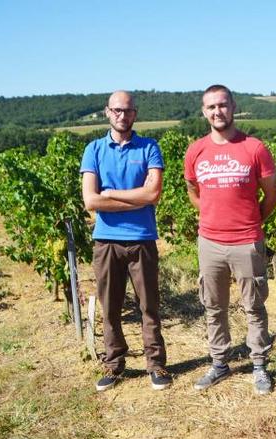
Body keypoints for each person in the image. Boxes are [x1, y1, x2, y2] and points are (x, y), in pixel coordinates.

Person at [184, 84, 276, 395]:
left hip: (247, 240)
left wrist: (250, 220)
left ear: (233, 106)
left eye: (222, 105)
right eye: (211, 107)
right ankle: (220, 363)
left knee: (253, 305)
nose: (217, 112)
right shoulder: (195, 150)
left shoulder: (254, 148)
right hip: (209, 241)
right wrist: (214, 217)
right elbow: (194, 192)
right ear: (204, 112)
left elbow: (272, 195)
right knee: (213, 305)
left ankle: (259, 365)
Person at [80, 90, 171, 392]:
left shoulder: (149, 147)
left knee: (149, 306)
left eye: (128, 110)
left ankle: (156, 365)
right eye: (117, 110)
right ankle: (114, 364)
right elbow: (90, 201)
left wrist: (112, 194)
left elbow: (153, 194)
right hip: (106, 242)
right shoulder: (93, 149)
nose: (123, 115)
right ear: (107, 112)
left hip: (142, 240)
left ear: (136, 113)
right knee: (110, 307)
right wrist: (136, 200)